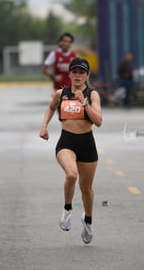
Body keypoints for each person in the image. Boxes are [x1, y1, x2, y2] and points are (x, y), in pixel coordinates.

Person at [39, 58, 102, 244]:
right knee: (71, 175)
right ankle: (67, 209)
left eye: (81, 72)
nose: (77, 75)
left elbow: (98, 121)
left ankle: (88, 220)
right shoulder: (61, 93)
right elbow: (50, 108)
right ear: (69, 74)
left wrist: (85, 103)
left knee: (86, 188)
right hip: (66, 142)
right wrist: (44, 126)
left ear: (87, 75)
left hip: (87, 143)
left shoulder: (93, 94)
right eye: (74, 72)